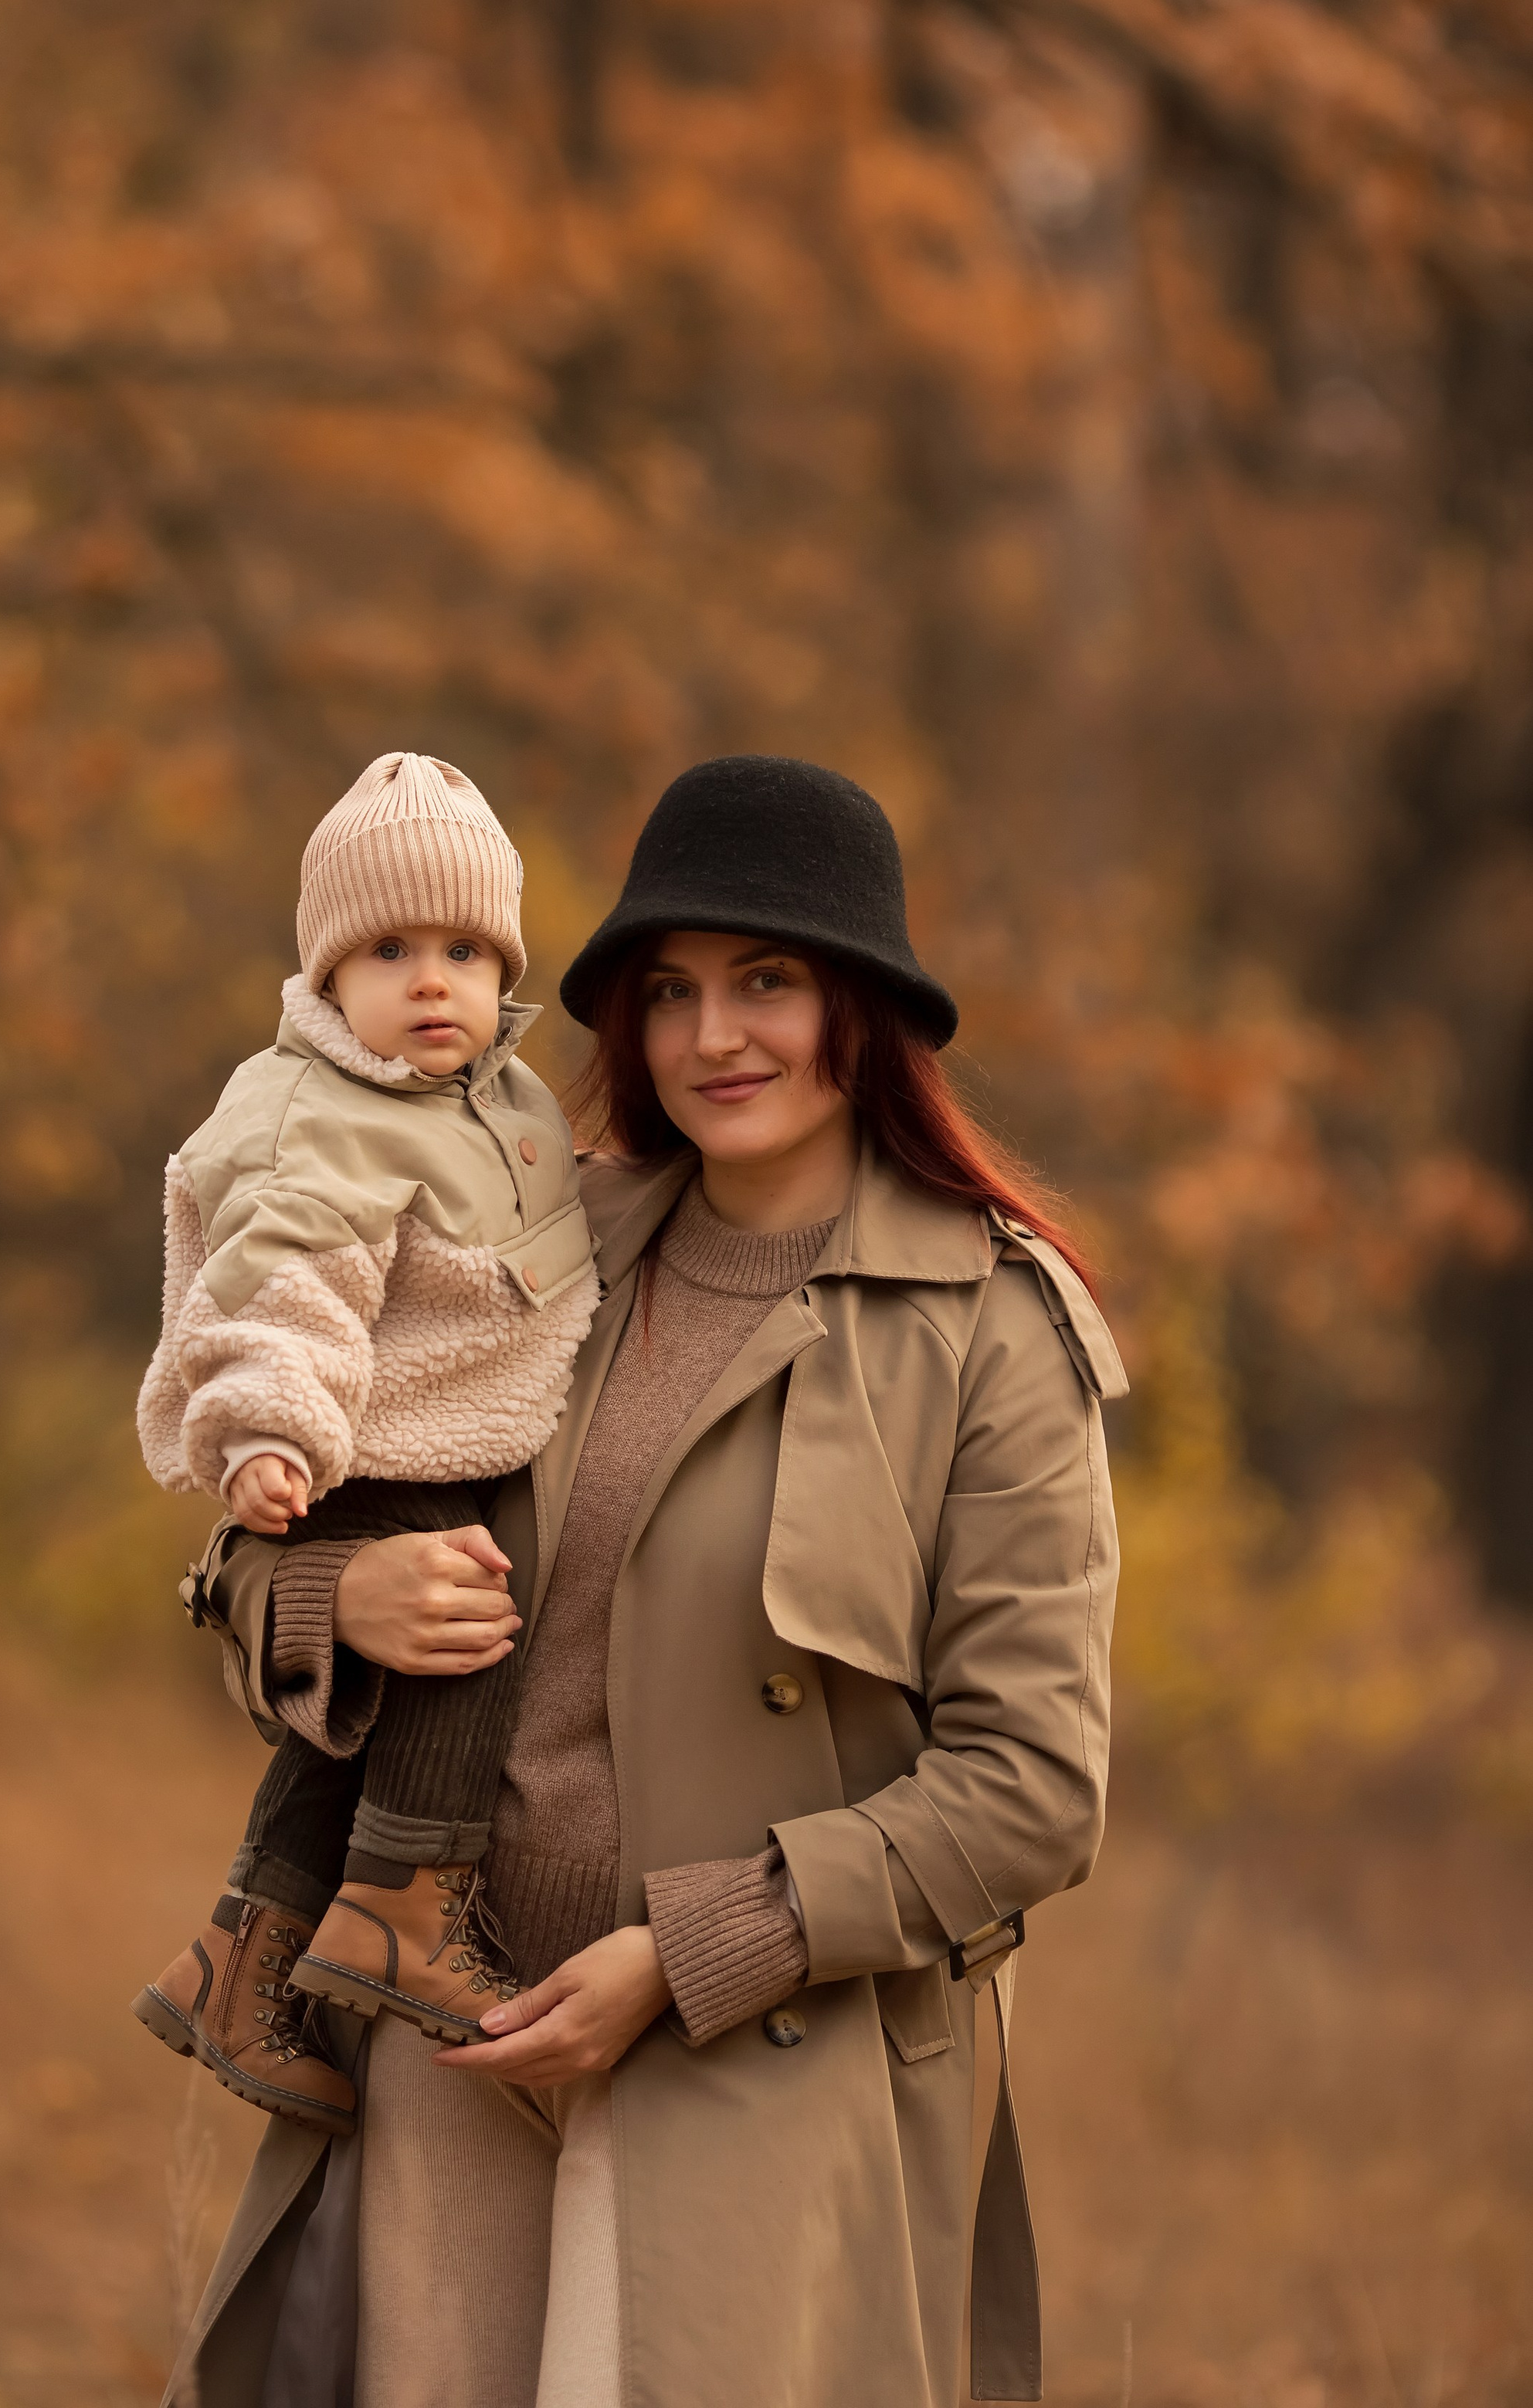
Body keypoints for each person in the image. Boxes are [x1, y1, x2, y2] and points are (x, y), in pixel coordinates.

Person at [168, 753, 1124, 2408]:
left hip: (755, 2066)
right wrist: (339, 1604)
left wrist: (689, 1953)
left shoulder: (989, 1327)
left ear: (864, 1009)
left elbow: (1031, 1788)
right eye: (666, 992)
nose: (709, 1039)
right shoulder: (528, 1248)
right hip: (445, 2034)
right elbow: (247, 1560)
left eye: (767, 982)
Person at [130, 751, 598, 2134]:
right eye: (390, 950)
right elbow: (281, 1286)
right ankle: (406, 1903)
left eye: (465, 949)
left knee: (344, 1739)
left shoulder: (493, 1101)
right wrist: (271, 1427)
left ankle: (244, 1951)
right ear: (326, 978)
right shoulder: (314, 1118)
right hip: (351, 1447)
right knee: (465, 1638)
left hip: (413, 1436)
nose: (435, 980)